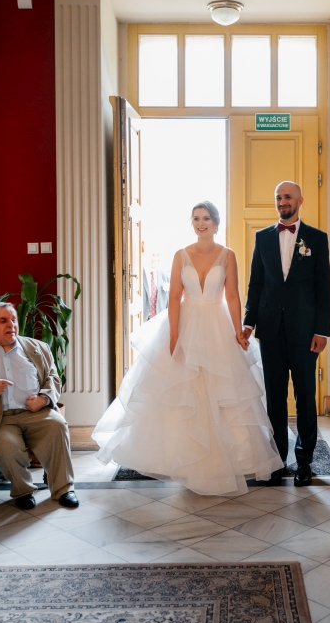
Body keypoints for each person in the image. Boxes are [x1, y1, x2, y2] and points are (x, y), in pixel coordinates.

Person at [93, 202, 283, 495]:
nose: (201, 223)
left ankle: (226, 461)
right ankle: (184, 461)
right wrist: (174, 335)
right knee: (184, 390)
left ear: (216, 222)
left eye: (206, 218)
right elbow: (174, 298)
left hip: (218, 326)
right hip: (187, 325)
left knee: (223, 391)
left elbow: (233, 295)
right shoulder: (180, 255)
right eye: (196, 218)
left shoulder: (228, 255)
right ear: (192, 223)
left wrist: (238, 330)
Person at [243, 181, 330, 487]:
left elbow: (323, 288)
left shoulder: (316, 239)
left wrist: (322, 330)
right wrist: (248, 323)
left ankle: (304, 461)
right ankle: (277, 459)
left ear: (300, 200)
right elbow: (256, 284)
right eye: (278, 197)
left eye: (288, 197)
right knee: (275, 397)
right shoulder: (262, 237)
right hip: (270, 330)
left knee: (306, 397)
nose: (282, 201)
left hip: (305, 331)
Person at [0, 302, 78, 511]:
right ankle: (23, 491)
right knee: (8, 447)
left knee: (57, 426)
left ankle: (64, 489)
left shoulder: (38, 347)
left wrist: (44, 399)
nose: (11, 325)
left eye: (13, 320)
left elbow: (53, 378)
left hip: (36, 413)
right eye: (3, 320)